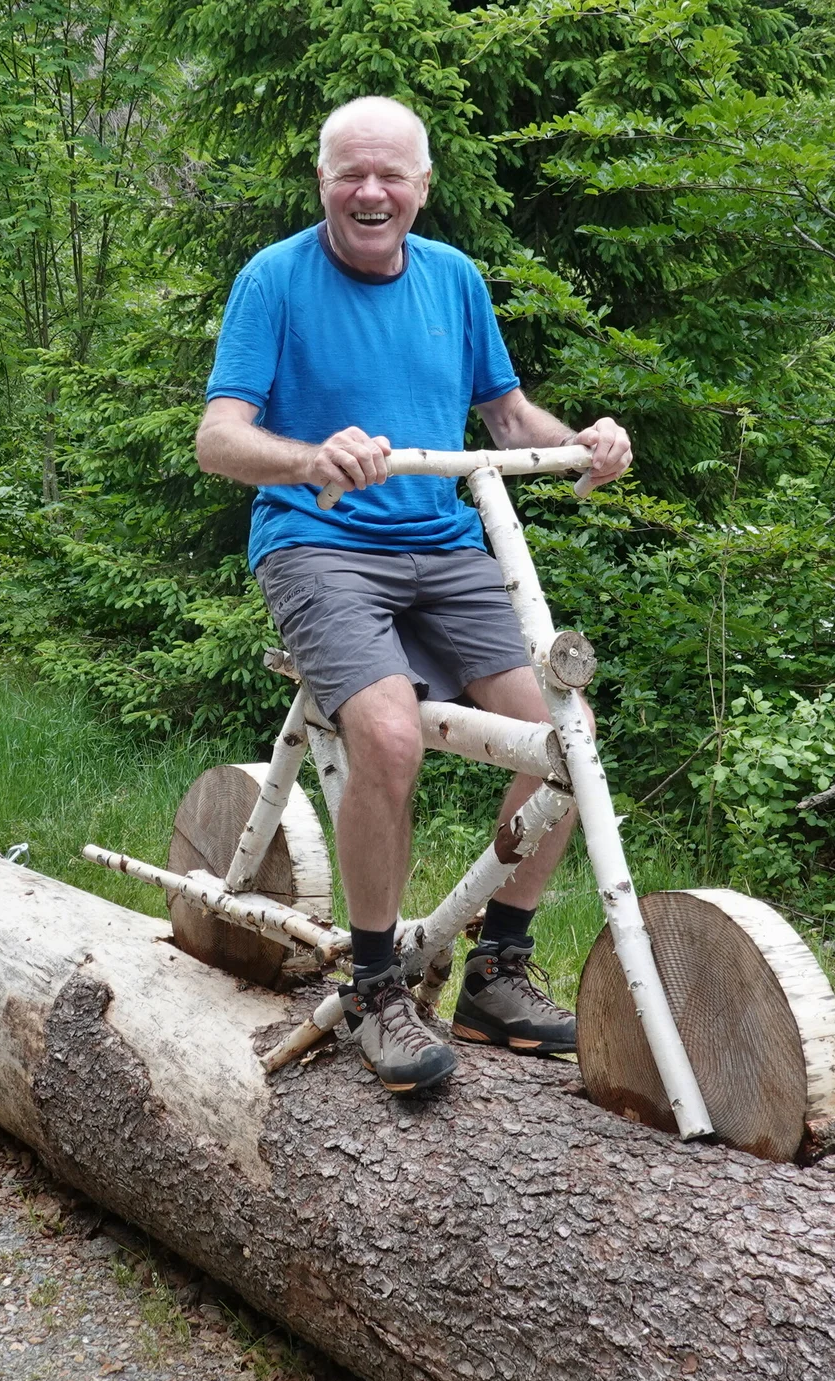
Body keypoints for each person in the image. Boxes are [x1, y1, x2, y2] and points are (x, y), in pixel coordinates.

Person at [194, 96, 633, 1094]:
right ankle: (377, 982)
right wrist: (312, 458)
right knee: (388, 736)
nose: (371, 191)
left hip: (445, 545)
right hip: (320, 544)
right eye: (352, 172)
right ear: (322, 183)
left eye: (392, 175)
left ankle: (497, 971)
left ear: (424, 189)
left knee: (571, 734)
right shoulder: (276, 280)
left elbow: (510, 413)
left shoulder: (455, 281)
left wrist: (586, 448)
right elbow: (219, 439)